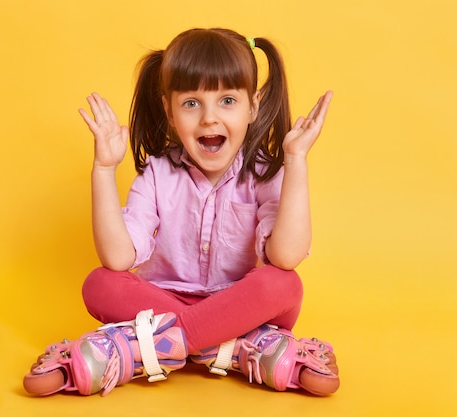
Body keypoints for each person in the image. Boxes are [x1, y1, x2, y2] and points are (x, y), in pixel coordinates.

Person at [23, 27, 339, 398]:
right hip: (158, 302)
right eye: (191, 103)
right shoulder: (157, 174)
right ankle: (237, 348)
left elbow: (286, 255)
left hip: (238, 304)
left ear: (252, 107)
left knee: (284, 282)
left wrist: (296, 161)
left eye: (227, 101)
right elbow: (118, 256)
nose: (208, 118)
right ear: (169, 112)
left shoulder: (264, 174)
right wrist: (104, 170)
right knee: (100, 282)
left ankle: (139, 348)